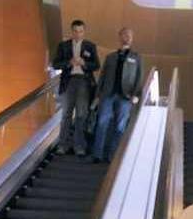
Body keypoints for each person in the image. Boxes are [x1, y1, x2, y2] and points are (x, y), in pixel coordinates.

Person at [91, 27, 144, 163]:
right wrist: (98, 95)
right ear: (119, 37)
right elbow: (102, 76)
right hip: (108, 94)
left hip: (126, 96)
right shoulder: (111, 57)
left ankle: (113, 156)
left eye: (129, 35)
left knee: (120, 126)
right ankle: (97, 154)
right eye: (124, 35)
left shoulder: (136, 58)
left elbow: (139, 77)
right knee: (102, 122)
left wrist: (136, 94)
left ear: (132, 39)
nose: (126, 37)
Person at [53, 19, 100, 156]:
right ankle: (62, 145)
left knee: (81, 115)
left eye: (80, 31)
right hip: (68, 82)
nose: (78, 34)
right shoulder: (63, 46)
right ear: (71, 32)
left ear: (84, 32)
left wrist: (84, 63)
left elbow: (96, 65)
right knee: (66, 114)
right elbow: (55, 64)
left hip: (84, 83)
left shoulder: (90, 46)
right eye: (75, 31)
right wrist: (69, 63)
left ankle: (79, 146)